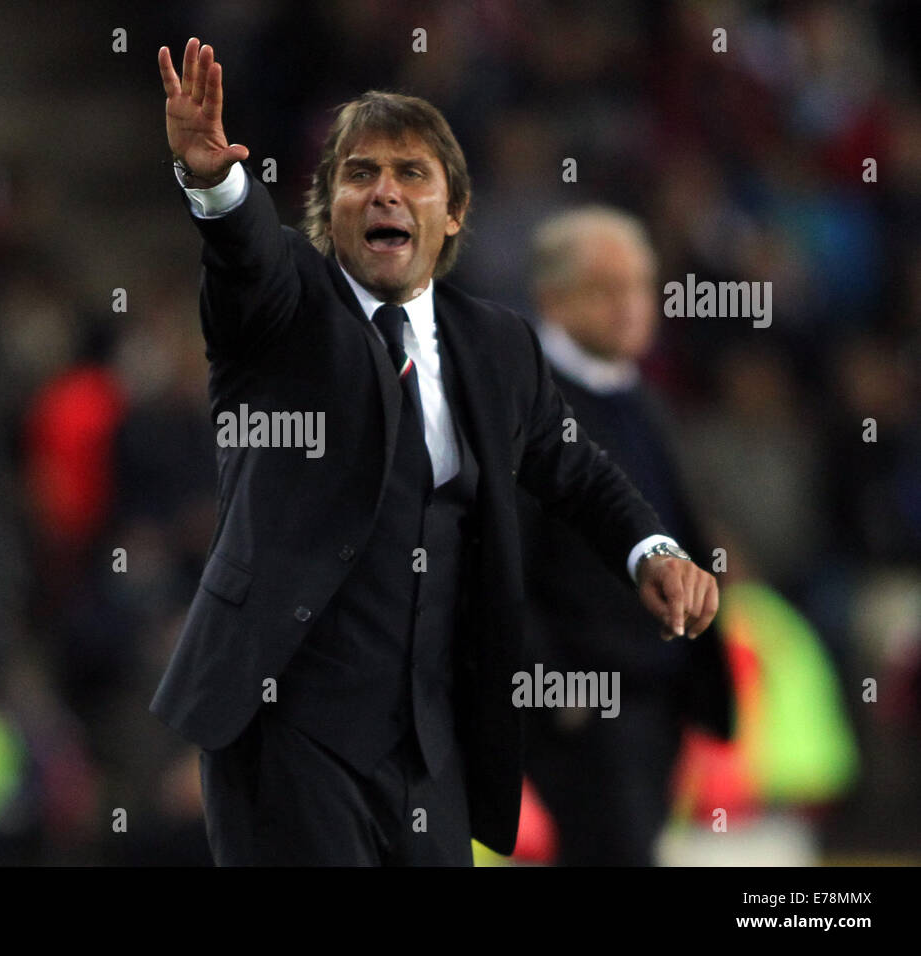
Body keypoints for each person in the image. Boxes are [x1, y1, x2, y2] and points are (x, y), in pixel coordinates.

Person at [149, 37, 719, 866]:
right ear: (328, 206)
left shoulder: (495, 344)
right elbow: (243, 254)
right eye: (360, 173)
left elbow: (575, 466)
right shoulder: (285, 311)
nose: (385, 190)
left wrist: (651, 549)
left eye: (412, 173)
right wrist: (212, 179)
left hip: (429, 742)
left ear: (451, 212)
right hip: (287, 726)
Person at [517, 207, 734, 865]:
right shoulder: (525, 402)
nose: (631, 305)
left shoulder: (644, 399)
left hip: (657, 698)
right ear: (553, 298)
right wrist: (554, 690)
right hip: (583, 705)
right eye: (606, 288)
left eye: (640, 286)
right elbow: (498, 558)